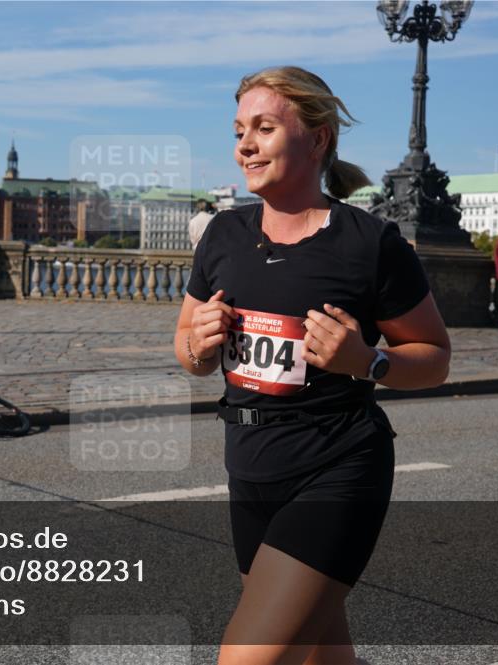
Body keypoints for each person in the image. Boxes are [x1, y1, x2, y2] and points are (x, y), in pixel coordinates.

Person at [174, 66, 450, 665]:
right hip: (249, 469)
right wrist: (199, 343)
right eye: (239, 130)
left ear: (318, 137)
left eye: (264, 128)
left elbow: (434, 358)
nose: (245, 145)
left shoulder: (370, 242)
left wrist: (366, 360)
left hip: (337, 467)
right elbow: (188, 353)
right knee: (321, 653)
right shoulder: (222, 235)